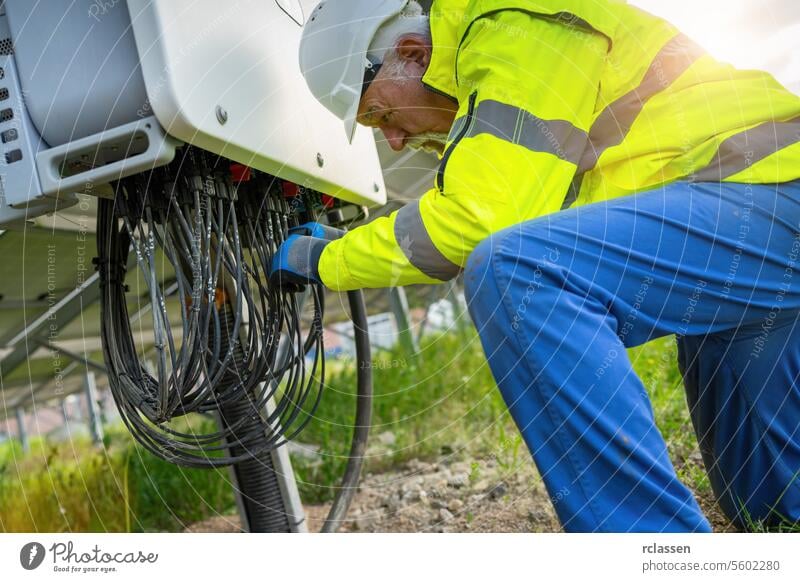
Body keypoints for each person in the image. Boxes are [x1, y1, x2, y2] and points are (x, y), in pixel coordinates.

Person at [269, 0, 800, 532]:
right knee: (770, 512)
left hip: (768, 202)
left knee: (515, 271)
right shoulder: (507, 58)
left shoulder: (511, 28)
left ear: (412, 54)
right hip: (753, 233)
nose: (395, 140)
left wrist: (328, 258)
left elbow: (478, 221)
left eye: (381, 115)